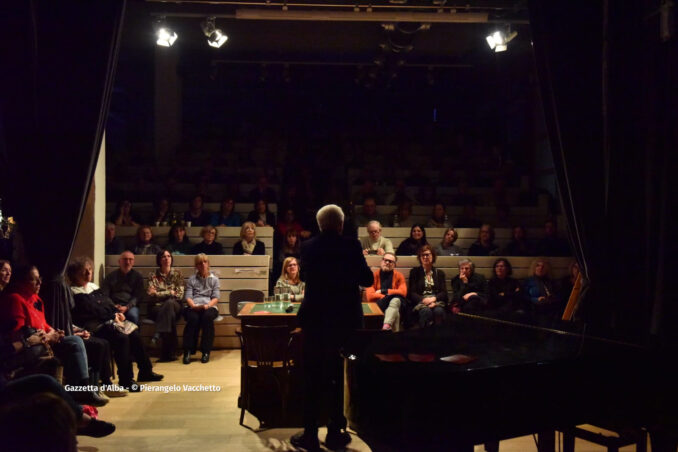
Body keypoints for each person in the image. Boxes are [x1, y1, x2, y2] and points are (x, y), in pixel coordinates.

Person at [291, 204, 373, 451]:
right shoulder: (352, 246)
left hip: (315, 320)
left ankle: (310, 434)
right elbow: (367, 280)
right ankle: (336, 433)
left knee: (312, 377)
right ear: (340, 224)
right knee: (338, 377)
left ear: (319, 225)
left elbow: (304, 276)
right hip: (344, 321)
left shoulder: (308, 247)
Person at [1, 265, 107, 406]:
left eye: (40, 279)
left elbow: (44, 324)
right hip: (33, 346)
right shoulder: (15, 299)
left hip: (46, 340)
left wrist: (54, 332)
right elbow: (20, 332)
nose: (39, 283)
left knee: (79, 340)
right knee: (74, 343)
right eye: (34, 280)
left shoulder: (37, 300)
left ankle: (83, 387)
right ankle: (80, 390)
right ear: (22, 282)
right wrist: (48, 336)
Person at [68, 257, 163, 391]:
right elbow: (91, 312)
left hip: (109, 321)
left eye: (89, 269)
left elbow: (107, 303)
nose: (88, 273)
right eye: (84, 271)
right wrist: (112, 315)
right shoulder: (73, 292)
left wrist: (117, 312)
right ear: (75, 274)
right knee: (121, 337)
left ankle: (145, 371)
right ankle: (126, 380)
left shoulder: (93, 287)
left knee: (134, 333)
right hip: (93, 326)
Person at [147, 250, 184, 362]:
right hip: (157, 308)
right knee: (169, 313)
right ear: (159, 260)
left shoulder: (178, 274)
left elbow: (179, 295)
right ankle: (170, 352)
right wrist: (169, 293)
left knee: (169, 305)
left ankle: (158, 334)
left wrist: (159, 293)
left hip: (175, 306)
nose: (166, 258)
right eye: (163, 256)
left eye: (168, 256)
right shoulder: (152, 275)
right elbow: (151, 295)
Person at [182, 254, 220, 365]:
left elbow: (216, 297)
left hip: (209, 306)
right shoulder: (192, 279)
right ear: (196, 266)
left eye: (204, 262)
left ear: (208, 264)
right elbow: (188, 296)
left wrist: (207, 306)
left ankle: (206, 351)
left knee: (207, 317)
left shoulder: (214, 279)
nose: (202, 264)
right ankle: (188, 351)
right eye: (199, 263)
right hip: (194, 305)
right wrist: (193, 306)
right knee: (193, 319)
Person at [407, 245, 448, 328]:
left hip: (436, 300)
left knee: (439, 311)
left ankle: (439, 337)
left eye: (428, 255)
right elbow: (412, 293)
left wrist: (433, 300)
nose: (425, 257)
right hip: (421, 300)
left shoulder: (439, 273)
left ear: (433, 256)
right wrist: (424, 300)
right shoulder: (414, 272)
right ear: (420, 257)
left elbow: (444, 292)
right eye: (423, 255)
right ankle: (425, 337)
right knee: (426, 311)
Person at [365, 252, 407, 331]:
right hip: (379, 305)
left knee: (395, 303)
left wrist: (384, 291)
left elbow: (403, 292)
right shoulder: (374, 275)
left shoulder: (399, 276)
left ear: (394, 265)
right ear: (381, 261)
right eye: (385, 260)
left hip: (394, 305)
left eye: (390, 261)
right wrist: (388, 297)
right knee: (396, 304)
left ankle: (386, 326)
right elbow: (370, 296)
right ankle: (393, 337)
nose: (387, 263)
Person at [101, 251, 144, 325]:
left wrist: (127, 307)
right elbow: (105, 294)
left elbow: (138, 296)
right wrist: (113, 306)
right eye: (125, 259)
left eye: (130, 259)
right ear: (119, 262)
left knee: (133, 315)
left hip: (130, 307)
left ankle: (133, 336)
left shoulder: (138, 277)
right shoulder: (110, 276)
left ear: (133, 262)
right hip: (113, 305)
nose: (127, 262)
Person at [524, 257, 563, 322]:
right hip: (535, 308)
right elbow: (524, 296)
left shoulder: (551, 281)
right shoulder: (529, 281)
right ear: (534, 268)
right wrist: (536, 299)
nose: (540, 268)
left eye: (543, 266)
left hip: (551, 308)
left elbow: (560, 295)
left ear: (547, 269)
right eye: (538, 265)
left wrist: (553, 298)